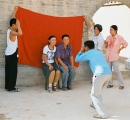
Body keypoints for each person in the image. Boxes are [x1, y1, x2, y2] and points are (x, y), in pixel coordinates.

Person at [75, 40, 112, 119]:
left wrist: (81, 51)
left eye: (84, 47)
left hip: (99, 74)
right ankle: (94, 104)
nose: (84, 48)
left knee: (94, 94)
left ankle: (103, 114)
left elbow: (77, 59)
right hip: (108, 73)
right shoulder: (98, 52)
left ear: (87, 47)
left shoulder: (88, 53)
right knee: (97, 91)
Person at [105, 25, 128, 90]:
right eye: (110, 29)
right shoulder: (108, 37)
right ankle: (110, 84)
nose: (110, 31)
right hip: (108, 56)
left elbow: (125, 43)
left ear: (115, 30)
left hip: (115, 56)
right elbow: (106, 46)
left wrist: (120, 49)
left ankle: (121, 84)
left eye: (111, 30)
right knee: (108, 71)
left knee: (117, 71)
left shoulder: (119, 37)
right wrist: (106, 44)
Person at [5, 6, 22, 92]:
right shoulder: (12, 32)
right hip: (12, 53)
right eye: (17, 24)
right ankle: (11, 88)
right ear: (14, 25)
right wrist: (18, 26)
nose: (18, 24)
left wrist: (15, 11)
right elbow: (21, 33)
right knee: (13, 71)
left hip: (8, 53)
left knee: (8, 70)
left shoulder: (9, 29)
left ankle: (8, 86)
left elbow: (12, 19)